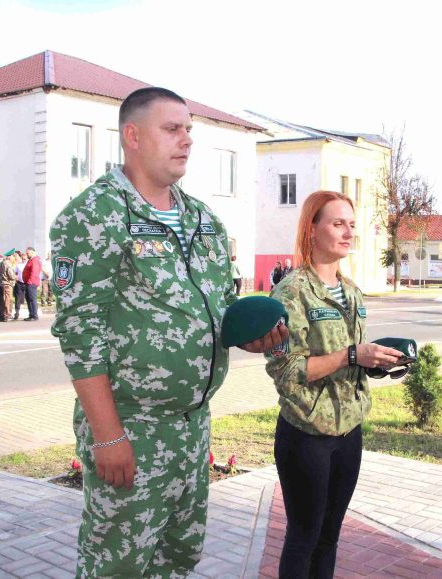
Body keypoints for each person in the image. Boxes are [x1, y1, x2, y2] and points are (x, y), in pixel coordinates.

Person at [50, 86, 285, 577]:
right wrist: (107, 436)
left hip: (192, 426)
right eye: (172, 129)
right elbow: (80, 334)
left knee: (177, 559)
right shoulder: (95, 216)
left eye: (189, 131)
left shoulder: (202, 219)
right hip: (132, 425)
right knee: (118, 565)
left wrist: (250, 334)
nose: (186, 140)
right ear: (132, 136)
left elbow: (218, 311)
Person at [265, 191, 403, 578]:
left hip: (348, 432)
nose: (348, 233)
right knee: (303, 537)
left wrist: (376, 364)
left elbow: (352, 359)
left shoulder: (354, 292)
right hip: (307, 433)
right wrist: (352, 355)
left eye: (352, 225)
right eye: (337, 223)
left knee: (330, 538)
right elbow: (287, 371)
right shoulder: (291, 292)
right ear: (312, 229)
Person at [21, 246, 42, 321]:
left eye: (28, 253)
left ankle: (34, 315)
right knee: (28, 299)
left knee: (32, 299)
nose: (27, 255)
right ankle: (31, 314)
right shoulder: (31, 260)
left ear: (32, 252)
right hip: (28, 282)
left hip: (31, 283)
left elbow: (34, 272)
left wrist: (29, 282)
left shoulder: (35, 260)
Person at [0, 252, 17, 322]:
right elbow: (10, 274)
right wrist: (15, 277)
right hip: (7, 284)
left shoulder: (2, 263)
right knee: (7, 300)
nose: (14, 258)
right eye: (13, 256)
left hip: (3, 283)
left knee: (3, 299)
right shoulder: (7, 263)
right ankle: (6, 314)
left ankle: (3, 315)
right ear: (10, 256)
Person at [13, 251, 26, 320]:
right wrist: (16, 278)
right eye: (23, 259)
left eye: (25, 259)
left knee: (29, 298)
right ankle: (17, 313)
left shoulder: (28, 264)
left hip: (27, 283)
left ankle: (32, 313)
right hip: (19, 283)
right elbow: (15, 273)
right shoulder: (18, 265)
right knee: (17, 299)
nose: (24, 260)